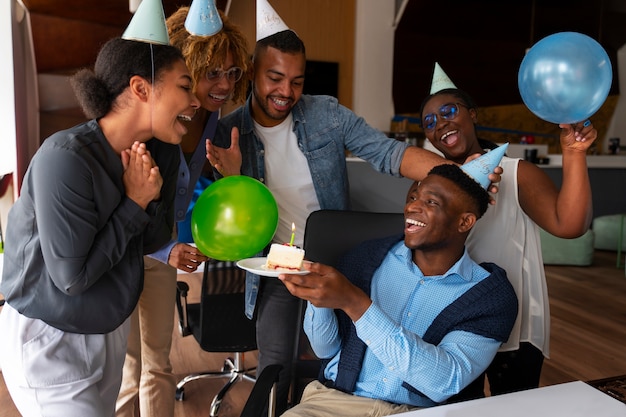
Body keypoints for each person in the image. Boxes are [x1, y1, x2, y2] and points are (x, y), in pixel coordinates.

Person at [206, 29, 502, 413]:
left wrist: (461, 173)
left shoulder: (326, 114)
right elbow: (233, 218)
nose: (286, 92)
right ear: (252, 73)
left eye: (296, 81)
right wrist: (232, 179)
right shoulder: (230, 132)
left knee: (335, 353)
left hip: (332, 256)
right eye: (274, 78)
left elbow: (389, 154)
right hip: (277, 260)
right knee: (276, 360)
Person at [0, 37, 199, 417]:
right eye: (185, 86)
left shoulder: (160, 152)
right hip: (50, 337)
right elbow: (72, 279)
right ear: (141, 88)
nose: (196, 101)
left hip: (107, 329)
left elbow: (155, 238)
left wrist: (154, 188)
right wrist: (135, 201)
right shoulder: (66, 158)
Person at [277, 164, 518, 416]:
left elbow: (444, 381)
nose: (412, 206)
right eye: (413, 197)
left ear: (464, 221)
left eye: (431, 202)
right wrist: (318, 300)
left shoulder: (489, 297)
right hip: (335, 403)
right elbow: (324, 350)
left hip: (419, 411)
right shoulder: (364, 259)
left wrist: (355, 303)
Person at [419, 77, 597, 395]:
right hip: (454, 324)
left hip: (516, 326)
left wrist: (574, 154)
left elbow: (569, 226)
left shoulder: (516, 173)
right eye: (430, 122)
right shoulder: (430, 185)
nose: (440, 123)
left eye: (448, 111)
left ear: (472, 114)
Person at [115, 7, 250, 417]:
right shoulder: (147, 125)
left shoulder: (213, 123)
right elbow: (122, 206)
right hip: (122, 249)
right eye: (213, 73)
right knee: (127, 365)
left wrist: (233, 176)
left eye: (232, 74)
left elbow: (216, 204)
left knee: (157, 364)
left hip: (163, 249)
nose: (224, 85)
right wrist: (165, 250)